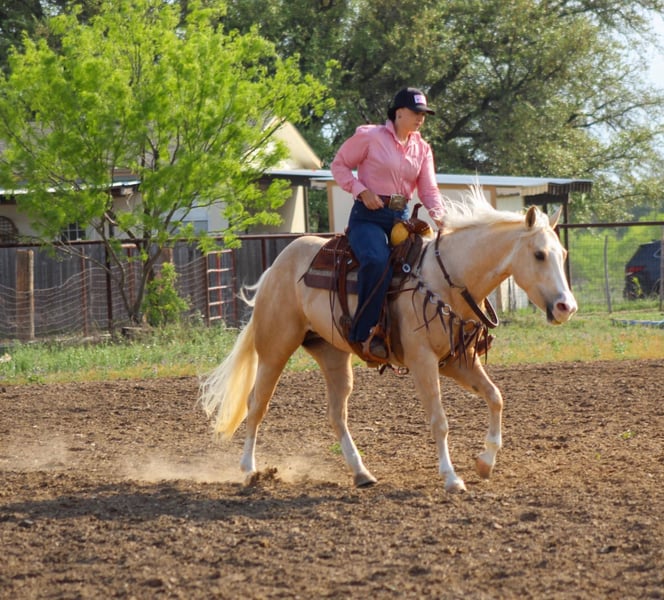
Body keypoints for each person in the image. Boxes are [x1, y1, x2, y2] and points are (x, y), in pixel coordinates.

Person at [330, 87, 445, 361]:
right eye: (416, 113)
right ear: (399, 112)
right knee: (376, 260)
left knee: (422, 266)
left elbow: (428, 190)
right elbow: (339, 165)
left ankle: (411, 332)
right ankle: (365, 333)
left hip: (400, 219)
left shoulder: (423, 149)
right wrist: (361, 191)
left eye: (424, 114)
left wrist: (442, 218)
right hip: (367, 216)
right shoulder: (370, 137)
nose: (421, 119)